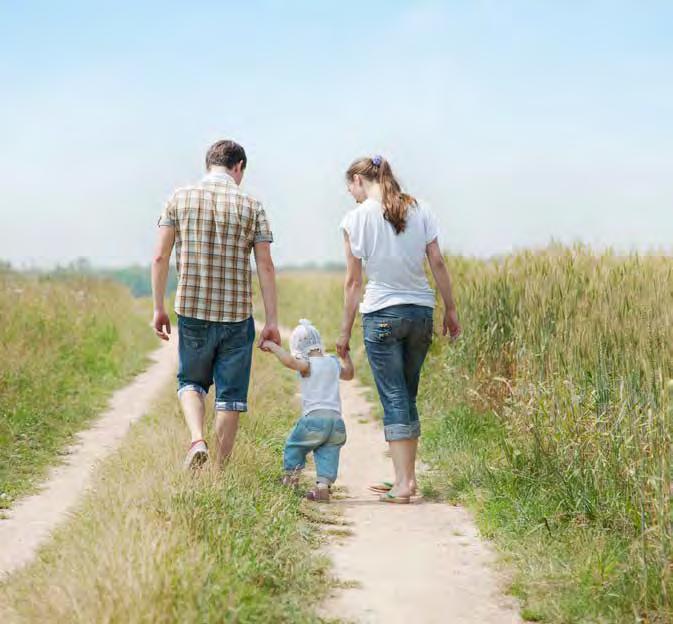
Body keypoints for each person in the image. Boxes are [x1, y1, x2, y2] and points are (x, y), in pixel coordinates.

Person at [336, 155, 461, 504]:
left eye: (352, 190)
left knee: (394, 397)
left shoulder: (355, 219)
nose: (354, 197)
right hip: (421, 310)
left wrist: (344, 333)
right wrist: (450, 308)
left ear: (361, 181)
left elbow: (352, 283)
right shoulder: (420, 209)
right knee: (406, 394)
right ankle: (405, 478)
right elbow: (437, 261)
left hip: (382, 313)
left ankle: (404, 484)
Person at [151, 139, 280, 469]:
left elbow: (160, 256)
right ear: (238, 167)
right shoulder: (253, 205)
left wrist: (159, 307)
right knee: (230, 397)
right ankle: (220, 474)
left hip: (192, 310)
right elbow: (265, 265)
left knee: (191, 383)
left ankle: (197, 440)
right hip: (236, 316)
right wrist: (272, 321)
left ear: (209, 164)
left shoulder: (179, 199)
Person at [262, 319, 354, 502]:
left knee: (295, 446)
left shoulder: (307, 364)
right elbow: (350, 374)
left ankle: (291, 478)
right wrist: (345, 356)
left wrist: (272, 346)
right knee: (328, 451)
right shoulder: (333, 363)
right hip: (336, 423)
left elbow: (289, 361)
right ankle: (322, 486)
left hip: (314, 420)